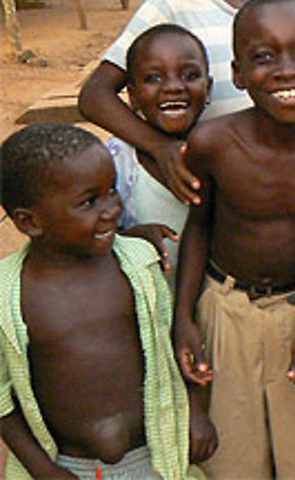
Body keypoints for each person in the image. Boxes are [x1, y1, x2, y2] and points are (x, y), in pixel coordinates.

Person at [172, 0, 295, 479]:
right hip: (225, 308)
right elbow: (199, 227)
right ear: (237, 73)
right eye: (263, 57)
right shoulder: (213, 143)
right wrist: (185, 317)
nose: (285, 70)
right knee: (232, 460)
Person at [0, 124, 199, 480]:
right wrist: (43, 470)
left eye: (111, 191)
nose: (111, 209)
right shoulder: (8, 295)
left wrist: (196, 414)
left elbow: (174, 353)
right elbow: (1, 398)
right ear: (29, 222)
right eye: (89, 201)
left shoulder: (140, 263)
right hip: (66, 468)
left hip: (156, 459)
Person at [78, 0, 274, 208]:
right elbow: (95, 95)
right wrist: (160, 147)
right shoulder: (171, 6)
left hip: (254, 197)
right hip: (192, 196)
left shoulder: (270, 15)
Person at [107, 23, 212, 280]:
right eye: (154, 78)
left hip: (211, 310)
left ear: (208, 88)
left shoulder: (222, 149)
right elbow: (85, 234)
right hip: (144, 311)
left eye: (189, 75)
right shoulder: (115, 162)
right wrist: (128, 240)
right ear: (132, 96)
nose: (173, 87)